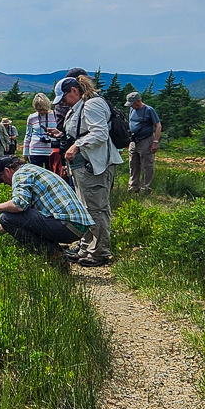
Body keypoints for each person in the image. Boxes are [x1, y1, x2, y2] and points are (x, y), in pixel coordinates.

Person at [0, 155, 92, 271]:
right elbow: (28, 208)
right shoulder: (32, 170)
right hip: (77, 225)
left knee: (5, 217)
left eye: (2, 179)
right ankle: (56, 254)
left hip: (67, 224)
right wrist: (6, 226)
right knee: (8, 219)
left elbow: (19, 205)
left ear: (7, 171)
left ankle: (54, 255)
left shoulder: (20, 174)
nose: (4, 183)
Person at [58, 75, 123, 266]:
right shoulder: (80, 106)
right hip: (84, 166)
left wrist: (77, 145)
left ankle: (99, 252)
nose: (63, 102)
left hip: (94, 166)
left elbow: (100, 133)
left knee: (96, 209)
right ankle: (87, 247)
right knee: (85, 208)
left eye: (64, 97)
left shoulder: (92, 105)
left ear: (74, 91)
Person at [126, 91, 162, 194]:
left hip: (146, 140)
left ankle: (145, 187)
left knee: (147, 165)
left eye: (133, 103)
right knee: (133, 163)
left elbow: (158, 125)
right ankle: (133, 186)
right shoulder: (132, 109)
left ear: (138, 101)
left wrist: (155, 142)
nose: (131, 106)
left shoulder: (149, 110)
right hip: (133, 141)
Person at [25, 94, 59, 169]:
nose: (42, 112)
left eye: (44, 109)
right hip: (35, 151)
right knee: (36, 173)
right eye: (39, 110)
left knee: (52, 173)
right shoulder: (32, 117)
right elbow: (28, 135)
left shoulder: (56, 115)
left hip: (51, 151)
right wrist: (25, 153)